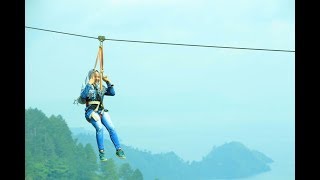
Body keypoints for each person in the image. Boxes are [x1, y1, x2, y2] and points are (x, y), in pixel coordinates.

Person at [79, 69, 126, 161]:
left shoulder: (101, 87)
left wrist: (107, 81)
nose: (97, 78)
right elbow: (83, 96)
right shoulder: (87, 86)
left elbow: (112, 93)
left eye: (98, 76)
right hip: (91, 111)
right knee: (100, 128)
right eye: (95, 76)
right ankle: (101, 152)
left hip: (101, 110)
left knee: (111, 127)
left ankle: (118, 149)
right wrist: (89, 83)